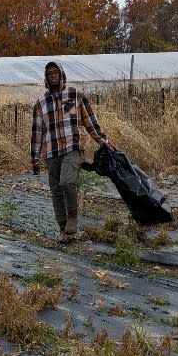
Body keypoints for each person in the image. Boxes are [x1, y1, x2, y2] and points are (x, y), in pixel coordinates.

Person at [30, 61, 110, 242]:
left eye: (55, 72)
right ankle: (62, 229)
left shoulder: (74, 95)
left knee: (66, 182)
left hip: (73, 145)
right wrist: (34, 158)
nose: (52, 76)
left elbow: (89, 121)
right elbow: (37, 133)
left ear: (61, 74)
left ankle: (72, 216)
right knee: (56, 190)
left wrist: (103, 141)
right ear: (46, 77)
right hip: (52, 150)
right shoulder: (41, 103)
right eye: (49, 73)